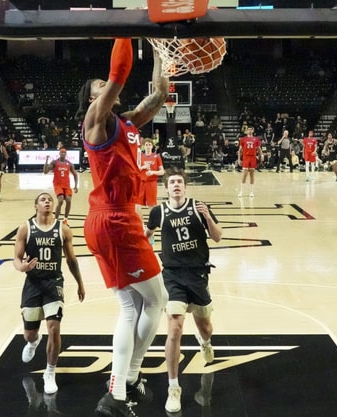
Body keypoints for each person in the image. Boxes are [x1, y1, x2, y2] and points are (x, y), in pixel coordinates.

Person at [76, 37, 169, 417]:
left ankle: (118, 391)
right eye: (98, 86)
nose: (106, 85)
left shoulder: (126, 121)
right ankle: (125, 381)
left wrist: (164, 53)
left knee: (133, 306)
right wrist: (126, 29)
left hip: (110, 219)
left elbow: (159, 95)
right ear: (92, 98)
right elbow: (119, 71)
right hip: (114, 219)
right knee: (156, 300)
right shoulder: (94, 121)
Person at [145, 167, 222, 413]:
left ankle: (205, 342)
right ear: (166, 188)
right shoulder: (158, 212)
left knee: (205, 326)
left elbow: (218, 237)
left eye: (180, 181)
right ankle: (174, 387)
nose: (176, 185)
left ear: (185, 187)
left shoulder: (199, 207)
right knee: (174, 328)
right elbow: (146, 237)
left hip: (197, 274)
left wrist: (208, 217)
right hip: (172, 276)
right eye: (172, 182)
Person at [13, 192, 85, 395]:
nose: (47, 202)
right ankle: (33, 342)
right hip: (33, 283)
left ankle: (49, 372)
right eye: (43, 200)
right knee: (29, 333)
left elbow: (71, 260)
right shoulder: (26, 228)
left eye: (49, 200)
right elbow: (16, 259)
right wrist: (22, 268)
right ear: (35, 205)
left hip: (54, 283)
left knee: (54, 328)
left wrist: (80, 283)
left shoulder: (63, 229)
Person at [43, 147, 79, 222]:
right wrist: (46, 161)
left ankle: (65, 218)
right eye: (61, 152)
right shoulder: (54, 162)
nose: (63, 154)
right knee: (61, 200)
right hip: (58, 184)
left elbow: (75, 175)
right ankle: (56, 219)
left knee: (68, 200)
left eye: (64, 152)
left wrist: (76, 186)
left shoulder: (69, 163)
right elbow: (45, 171)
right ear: (59, 153)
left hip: (66, 185)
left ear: (66, 154)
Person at [138, 138, 164, 227]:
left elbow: (162, 172)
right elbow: (134, 169)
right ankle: (141, 226)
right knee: (137, 205)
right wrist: (142, 167)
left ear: (152, 146)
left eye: (149, 145)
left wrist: (153, 172)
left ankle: (151, 227)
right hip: (141, 183)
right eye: (146, 145)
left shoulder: (156, 156)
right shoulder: (139, 156)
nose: (148, 146)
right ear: (143, 146)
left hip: (151, 183)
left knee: (152, 206)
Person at [237, 126, 262, 198]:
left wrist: (262, 155)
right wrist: (239, 159)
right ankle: (241, 191)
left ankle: (251, 192)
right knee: (244, 174)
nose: (250, 131)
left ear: (253, 130)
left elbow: (259, 149)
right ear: (247, 130)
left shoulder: (256, 139)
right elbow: (240, 150)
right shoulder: (243, 139)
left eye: (251, 129)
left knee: (252, 174)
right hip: (246, 157)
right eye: (249, 129)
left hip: (253, 157)